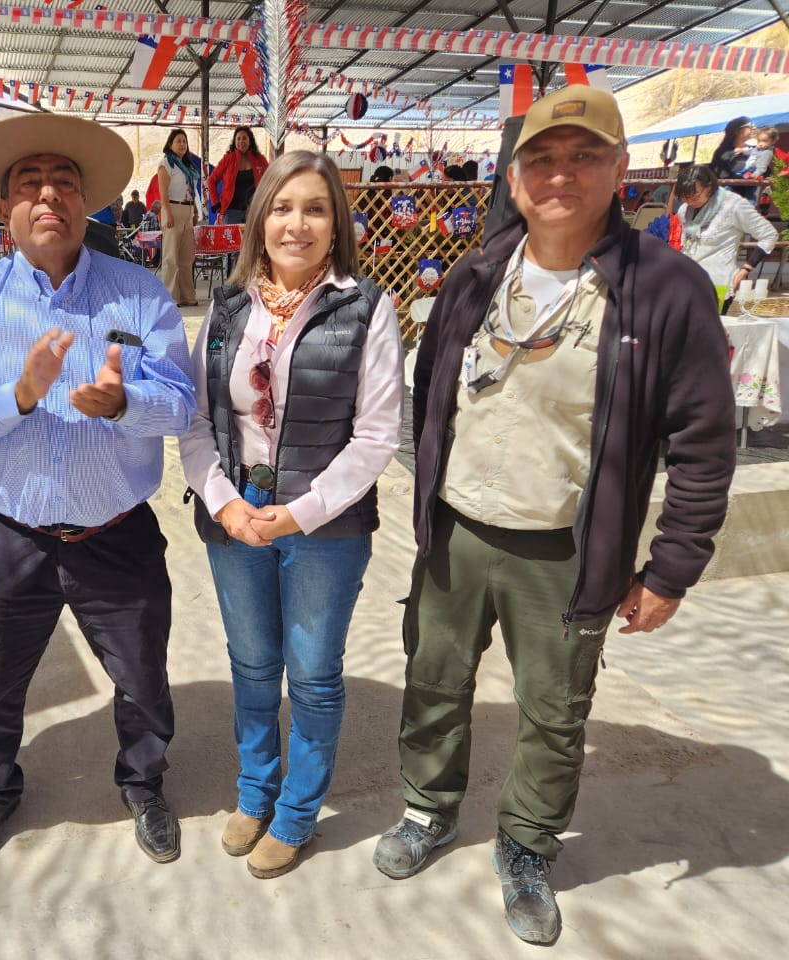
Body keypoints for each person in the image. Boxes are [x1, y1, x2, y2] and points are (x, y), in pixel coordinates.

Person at [372, 87, 736, 945]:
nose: (560, 175)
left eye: (583, 157)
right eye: (541, 159)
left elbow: (704, 441)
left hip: (567, 549)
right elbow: (433, 392)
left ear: (619, 169)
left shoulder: (664, 288)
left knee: (553, 710)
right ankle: (429, 808)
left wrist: (672, 568)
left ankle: (528, 844)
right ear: (514, 176)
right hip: (458, 530)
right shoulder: (477, 274)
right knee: (433, 680)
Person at [0, 113, 196, 877]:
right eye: (30, 183)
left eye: (65, 182)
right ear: (4, 207)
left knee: (142, 677)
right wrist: (16, 395)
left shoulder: (137, 293)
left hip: (116, 531)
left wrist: (124, 402)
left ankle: (142, 783)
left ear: (85, 202)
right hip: (10, 536)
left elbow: (182, 405)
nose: (49, 195)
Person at [179, 150, 403, 879]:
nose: (296, 224)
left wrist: (301, 513)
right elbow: (195, 421)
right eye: (281, 207)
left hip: (324, 529)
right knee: (251, 667)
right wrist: (223, 502)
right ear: (260, 220)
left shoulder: (366, 308)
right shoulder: (226, 307)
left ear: (336, 223)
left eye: (314, 208)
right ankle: (255, 792)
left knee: (310, 675)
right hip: (235, 520)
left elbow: (376, 437)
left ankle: (298, 812)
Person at [674, 164, 779, 305]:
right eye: (685, 198)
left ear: (709, 187)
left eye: (695, 196)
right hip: (686, 283)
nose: (689, 202)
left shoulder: (733, 205)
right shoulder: (685, 210)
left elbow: (769, 234)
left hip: (717, 284)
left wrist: (746, 269)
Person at [158, 127, 202, 307]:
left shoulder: (189, 167)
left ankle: (187, 296)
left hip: (187, 210)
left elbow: (191, 192)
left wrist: (195, 211)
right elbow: (163, 192)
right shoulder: (166, 163)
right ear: (170, 144)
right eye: (178, 141)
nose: (182, 144)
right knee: (171, 256)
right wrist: (167, 212)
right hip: (172, 209)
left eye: (184, 141)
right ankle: (170, 297)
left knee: (186, 257)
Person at [208, 126, 269, 225]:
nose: (241, 141)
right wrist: (216, 203)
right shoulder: (227, 159)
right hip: (231, 212)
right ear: (235, 141)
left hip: (254, 211)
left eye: (244, 138)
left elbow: (270, 180)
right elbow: (211, 180)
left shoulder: (260, 160)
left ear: (250, 141)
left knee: (253, 236)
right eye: (238, 139)